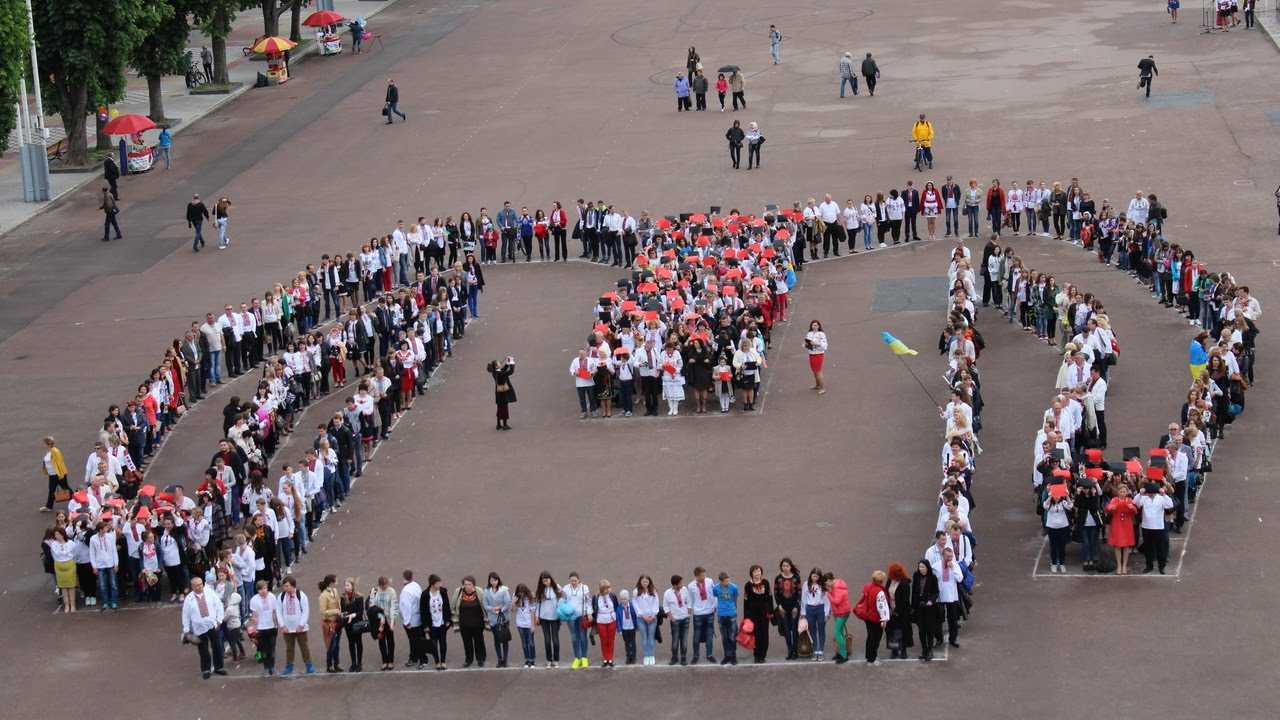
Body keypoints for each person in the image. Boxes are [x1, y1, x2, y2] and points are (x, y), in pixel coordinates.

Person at [182, 576, 227, 679]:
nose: (200, 587)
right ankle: (206, 669)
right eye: (197, 585)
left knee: (217, 646)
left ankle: (219, 667)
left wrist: (219, 620)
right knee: (203, 649)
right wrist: (186, 630)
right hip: (199, 628)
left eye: (201, 584)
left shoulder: (210, 592)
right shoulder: (189, 599)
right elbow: (185, 615)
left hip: (212, 625)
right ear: (192, 587)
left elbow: (219, 605)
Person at [278, 576, 316, 675]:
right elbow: (279, 612)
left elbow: (305, 610)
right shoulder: (281, 596)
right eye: (284, 586)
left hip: (300, 628)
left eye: (287, 586)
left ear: (293, 586)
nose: (284, 588)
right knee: (289, 648)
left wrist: (301, 624)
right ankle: (289, 666)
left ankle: (309, 665)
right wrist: (282, 625)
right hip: (287, 628)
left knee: (304, 647)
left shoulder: (301, 595)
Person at [1135, 480, 1174, 573]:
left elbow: (1170, 505)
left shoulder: (1161, 498)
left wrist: (1164, 494)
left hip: (1159, 527)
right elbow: (1135, 502)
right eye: (1149, 492)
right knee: (1148, 548)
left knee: (1161, 548)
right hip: (1146, 527)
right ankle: (1149, 566)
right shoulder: (1144, 498)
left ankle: (1162, 566)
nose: (1150, 494)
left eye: (1152, 492)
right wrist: (1140, 494)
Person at [854, 570, 890, 664]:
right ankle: (872, 659)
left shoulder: (867, 586)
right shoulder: (880, 592)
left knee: (870, 637)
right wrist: (884, 619)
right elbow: (881, 607)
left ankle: (869, 656)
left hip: (868, 617)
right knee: (876, 638)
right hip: (876, 618)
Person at [742, 565, 775, 663]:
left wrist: (771, 611)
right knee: (756, 635)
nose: (757, 573)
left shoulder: (766, 583)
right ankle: (756, 655)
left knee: (764, 634)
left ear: (761, 573)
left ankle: (762, 655)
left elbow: (769, 598)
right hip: (753, 614)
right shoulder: (748, 585)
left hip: (764, 613)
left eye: (759, 571)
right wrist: (746, 617)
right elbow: (746, 601)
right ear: (751, 574)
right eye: (755, 572)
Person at [453, 575, 487, 668]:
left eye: (469, 584)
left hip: (478, 624)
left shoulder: (479, 592)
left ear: (473, 585)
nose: (467, 586)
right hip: (464, 624)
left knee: (479, 642)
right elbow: (453, 606)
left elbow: (485, 605)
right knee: (467, 643)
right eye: (465, 584)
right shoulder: (458, 592)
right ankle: (468, 660)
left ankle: (480, 659)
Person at [909, 561, 938, 661]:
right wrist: (912, 606)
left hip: (929, 607)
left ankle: (930, 650)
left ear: (927, 568)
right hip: (919, 607)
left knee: (929, 630)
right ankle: (924, 650)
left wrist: (931, 601)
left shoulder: (933, 577)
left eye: (922, 567)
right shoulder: (916, 576)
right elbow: (913, 591)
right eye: (919, 567)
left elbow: (936, 592)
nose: (920, 569)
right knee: (921, 630)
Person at [367, 576, 398, 670]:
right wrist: (380, 617)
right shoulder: (375, 591)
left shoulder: (391, 591)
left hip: (388, 619)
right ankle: (384, 661)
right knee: (381, 640)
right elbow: (371, 606)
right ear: (379, 584)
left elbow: (394, 606)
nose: (384, 587)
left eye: (386, 585)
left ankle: (391, 661)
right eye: (382, 586)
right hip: (378, 620)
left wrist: (392, 622)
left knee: (390, 640)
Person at [535, 571, 562, 668]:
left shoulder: (557, 588)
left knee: (555, 640)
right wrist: (537, 617)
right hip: (544, 618)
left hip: (555, 618)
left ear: (551, 579)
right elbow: (537, 604)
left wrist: (561, 613)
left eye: (547, 580)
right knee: (547, 640)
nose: (546, 582)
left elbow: (562, 600)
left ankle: (556, 660)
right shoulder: (540, 590)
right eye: (544, 581)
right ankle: (549, 660)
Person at [712, 571, 739, 665]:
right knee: (725, 637)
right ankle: (727, 656)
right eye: (726, 581)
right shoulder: (716, 588)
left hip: (731, 614)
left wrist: (734, 609)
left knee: (732, 637)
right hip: (721, 615)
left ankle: (733, 656)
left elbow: (735, 598)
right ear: (721, 581)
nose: (728, 582)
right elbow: (715, 596)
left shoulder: (734, 587)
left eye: (728, 580)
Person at [40, 436, 70, 512]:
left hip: (58, 474)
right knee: (52, 490)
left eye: (45, 443)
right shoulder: (49, 451)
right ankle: (49, 507)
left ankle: (78, 500)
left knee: (65, 488)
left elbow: (60, 462)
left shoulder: (55, 451)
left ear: (48, 444)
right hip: (52, 474)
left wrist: (61, 475)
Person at [805, 320, 828, 394]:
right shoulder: (809, 333)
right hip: (811, 354)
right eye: (813, 325)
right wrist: (806, 345)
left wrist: (816, 344)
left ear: (818, 326)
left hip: (818, 354)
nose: (814, 326)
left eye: (815, 325)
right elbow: (806, 343)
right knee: (814, 371)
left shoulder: (821, 334)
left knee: (818, 371)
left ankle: (823, 388)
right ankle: (817, 385)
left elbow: (825, 346)